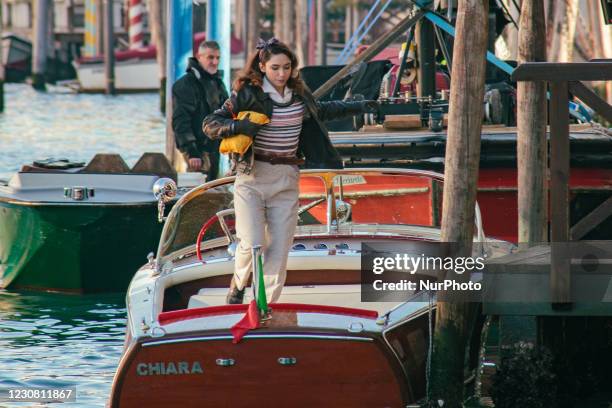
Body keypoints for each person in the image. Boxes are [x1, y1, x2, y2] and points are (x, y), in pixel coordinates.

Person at [203, 38, 378, 304]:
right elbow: (211, 123)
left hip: (287, 178)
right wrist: (238, 128)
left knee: (280, 250)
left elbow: (322, 112)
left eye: (287, 67)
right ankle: (238, 285)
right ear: (262, 67)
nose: (282, 74)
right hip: (252, 177)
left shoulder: (299, 95)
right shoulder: (247, 94)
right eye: (275, 68)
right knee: (251, 243)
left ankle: (264, 305)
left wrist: (359, 105)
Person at [172, 40, 229, 181]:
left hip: (215, 148)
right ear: (199, 57)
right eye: (210, 57)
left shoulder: (217, 82)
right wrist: (192, 151)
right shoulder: (185, 84)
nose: (215, 62)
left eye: (217, 58)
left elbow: (227, 111)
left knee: (213, 188)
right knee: (199, 192)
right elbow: (181, 120)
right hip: (197, 150)